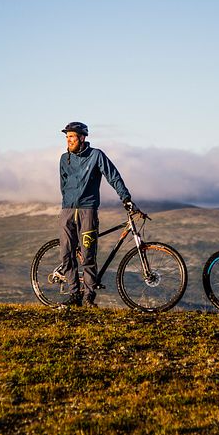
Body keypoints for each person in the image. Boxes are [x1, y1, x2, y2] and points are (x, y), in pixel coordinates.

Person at [58, 121, 134, 308]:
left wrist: (126, 198)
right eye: (67, 137)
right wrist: (68, 202)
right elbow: (63, 184)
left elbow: (113, 176)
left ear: (82, 138)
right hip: (67, 211)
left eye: (72, 137)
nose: (68, 141)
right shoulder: (63, 159)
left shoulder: (96, 156)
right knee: (66, 254)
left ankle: (89, 297)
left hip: (88, 211)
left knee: (88, 255)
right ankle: (74, 294)